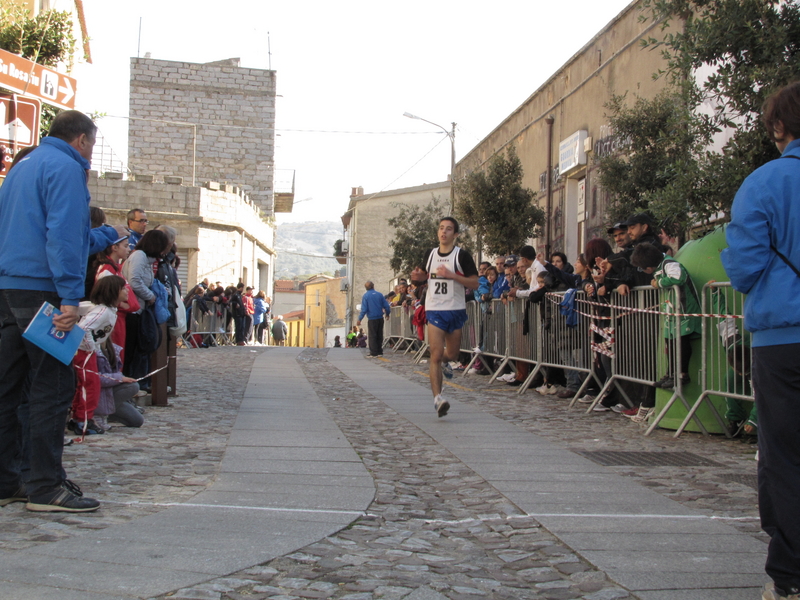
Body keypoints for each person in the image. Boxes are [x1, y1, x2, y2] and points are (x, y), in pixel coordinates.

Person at [720, 81, 800, 600]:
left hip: (783, 338)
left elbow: (746, 269)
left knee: (785, 455)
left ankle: (791, 576)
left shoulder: (763, 183)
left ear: (778, 126)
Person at [0, 110, 101, 512]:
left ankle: (8, 480)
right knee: (52, 386)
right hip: (43, 289)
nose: (91, 152)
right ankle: (44, 486)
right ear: (81, 139)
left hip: (9, 286)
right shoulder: (66, 168)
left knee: (9, 387)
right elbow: (63, 233)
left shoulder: (21, 167)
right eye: (92, 143)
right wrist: (70, 298)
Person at [424, 217, 479, 417]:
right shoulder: (430, 255)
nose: (443, 232)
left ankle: (447, 363)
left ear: (455, 234)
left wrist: (452, 275)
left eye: (448, 229)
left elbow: (474, 283)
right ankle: (438, 399)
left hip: (455, 310)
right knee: (436, 355)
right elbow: (424, 275)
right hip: (435, 309)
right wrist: (418, 277)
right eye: (441, 228)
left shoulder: (461, 256)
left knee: (452, 354)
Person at [357, 281, 392, 357]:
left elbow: (364, 309)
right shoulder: (379, 295)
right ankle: (379, 351)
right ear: (373, 286)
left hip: (372, 318)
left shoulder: (366, 296)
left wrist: (360, 319)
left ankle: (373, 352)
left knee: (372, 335)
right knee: (379, 334)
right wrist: (387, 314)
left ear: (366, 288)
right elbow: (386, 305)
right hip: (380, 318)